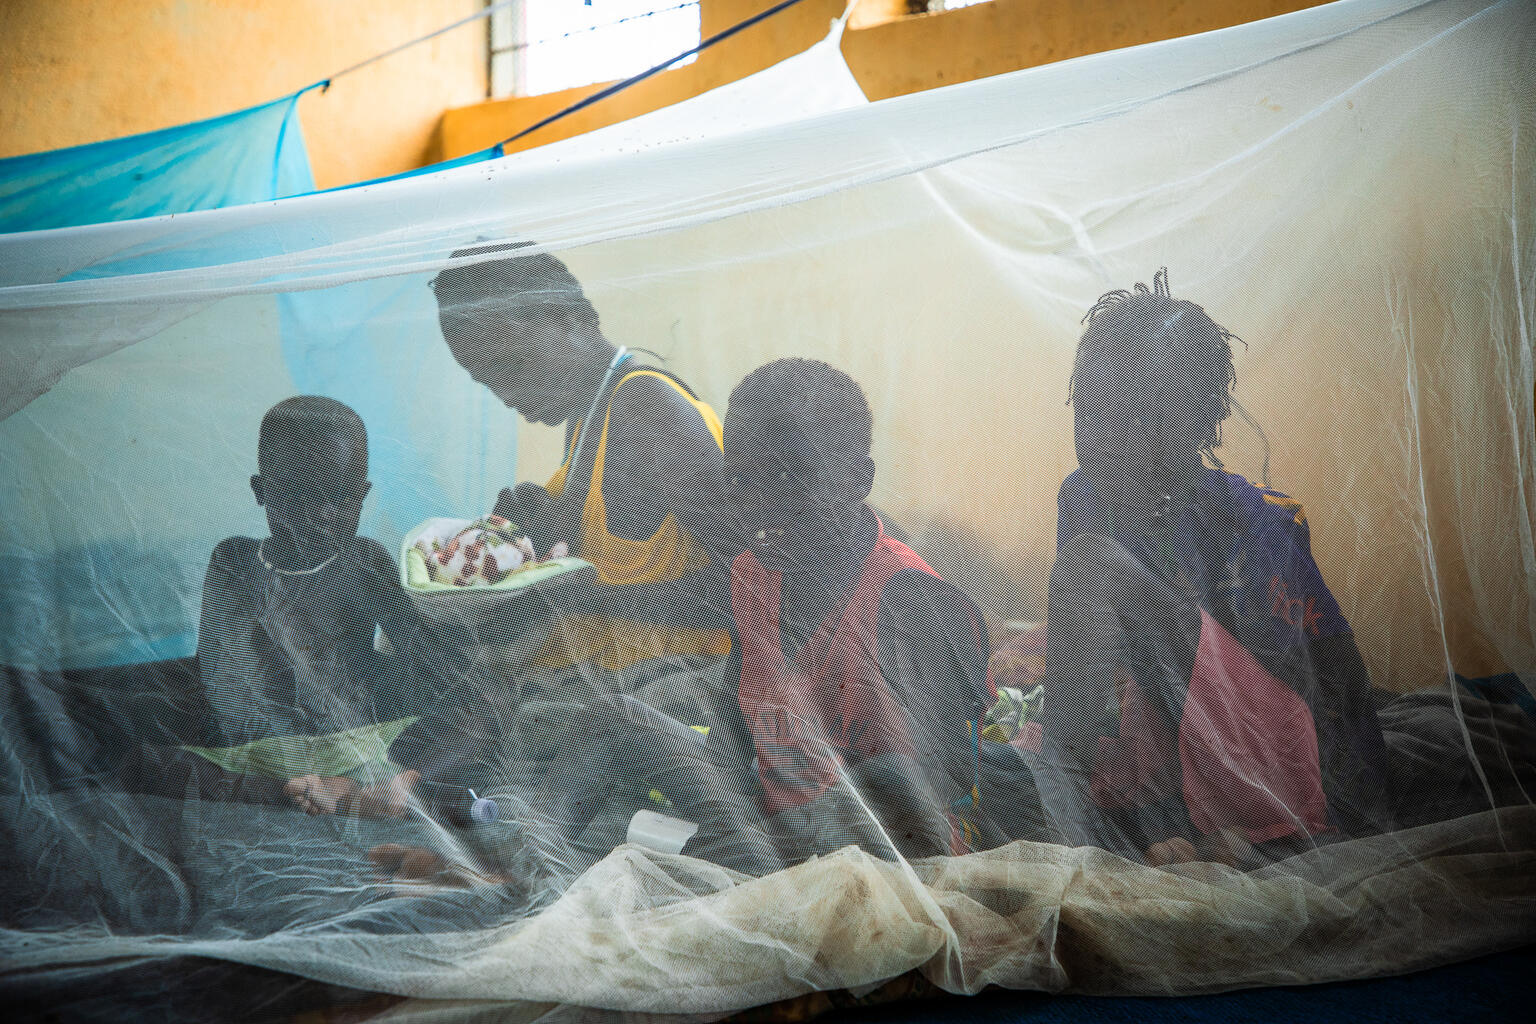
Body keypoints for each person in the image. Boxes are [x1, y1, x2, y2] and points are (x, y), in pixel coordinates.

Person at [374, 359, 997, 887]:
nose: (765, 505)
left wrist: (698, 778)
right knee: (615, 772)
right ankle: (518, 859)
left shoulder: (913, 604)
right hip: (762, 837)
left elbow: (916, 809)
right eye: (747, 479)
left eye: (794, 478)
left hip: (878, 869)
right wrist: (681, 753)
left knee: (642, 834)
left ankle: (516, 870)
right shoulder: (757, 572)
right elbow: (746, 718)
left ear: (858, 479)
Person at [1036, 269, 1390, 868]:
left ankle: (1094, 814)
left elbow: (1338, 679)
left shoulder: (1246, 523)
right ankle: (1101, 803)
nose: (1101, 440)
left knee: (1094, 574)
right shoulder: (1093, 494)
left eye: (1136, 419)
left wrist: (1363, 814)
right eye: (1093, 412)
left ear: (1198, 428)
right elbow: (1126, 681)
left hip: (1277, 774)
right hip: (1194, 758)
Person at [121, 396, 459, 818]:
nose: (321, 515)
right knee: (142, 756)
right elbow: (221, 673)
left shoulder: (364, 560)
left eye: (341, 497)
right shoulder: (235, 560)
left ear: (363, 493)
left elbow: (424, 657)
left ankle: (371, 789)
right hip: (257, 748)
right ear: (261, 492)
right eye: (297, 497)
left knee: (475, 711)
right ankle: (288, 790)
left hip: (355, 743)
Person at [431, 243, 733, 681]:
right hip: (612, 685)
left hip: (675, 698)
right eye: (488, 381)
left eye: (514, 365)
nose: (508, 395)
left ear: (573, 318)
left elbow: (755, 590)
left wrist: (568, 597)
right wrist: (534, 522)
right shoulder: (589, 411)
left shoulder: (646, 408)